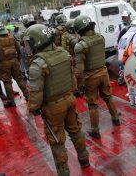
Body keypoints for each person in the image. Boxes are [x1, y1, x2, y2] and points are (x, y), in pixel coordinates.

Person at [25, 24, 90, 176]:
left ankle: (64, 172)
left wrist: (33, 108)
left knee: (57, 141)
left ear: (38, 41)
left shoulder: (38, 64)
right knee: (76, 131)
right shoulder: (64, 53)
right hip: (69, 99)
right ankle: (84, 158)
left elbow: (36, 93)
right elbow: (73, 80)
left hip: (53, 107)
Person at [74, 15, 120, 139]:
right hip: (103, 73)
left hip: (91, 77)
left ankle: (95, 130)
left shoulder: (80, 45)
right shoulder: (100, 37)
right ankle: (116, 119)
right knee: (108, 97)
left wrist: (78, 85)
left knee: (93, 105)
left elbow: (79, 70)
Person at [0, 21, 29, 107]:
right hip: (14, 60)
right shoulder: (11, 36)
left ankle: (11, 101)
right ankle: (27, 95)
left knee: (7, 82)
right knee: (19, 79)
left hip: (3, 63)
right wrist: (17, 59)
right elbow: (18, 49)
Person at [61, 20, 84, 97]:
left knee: (80, 72)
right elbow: (76, 43)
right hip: (70, 56)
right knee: (73, 74)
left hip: (77, 55)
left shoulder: (75, 33)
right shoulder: (67, 35)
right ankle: (75, 90)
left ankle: (80, 87)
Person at [114, 10, 131, 85]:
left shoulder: (132, 24)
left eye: (125, 17)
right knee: (121, 61)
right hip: (122, 43)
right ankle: (122, 77)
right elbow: (116, 36)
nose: (124, 18)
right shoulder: (119, 26)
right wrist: (116, 45)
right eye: (123, 17)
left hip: (130, 43)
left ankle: (130, 75)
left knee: (130, 59)